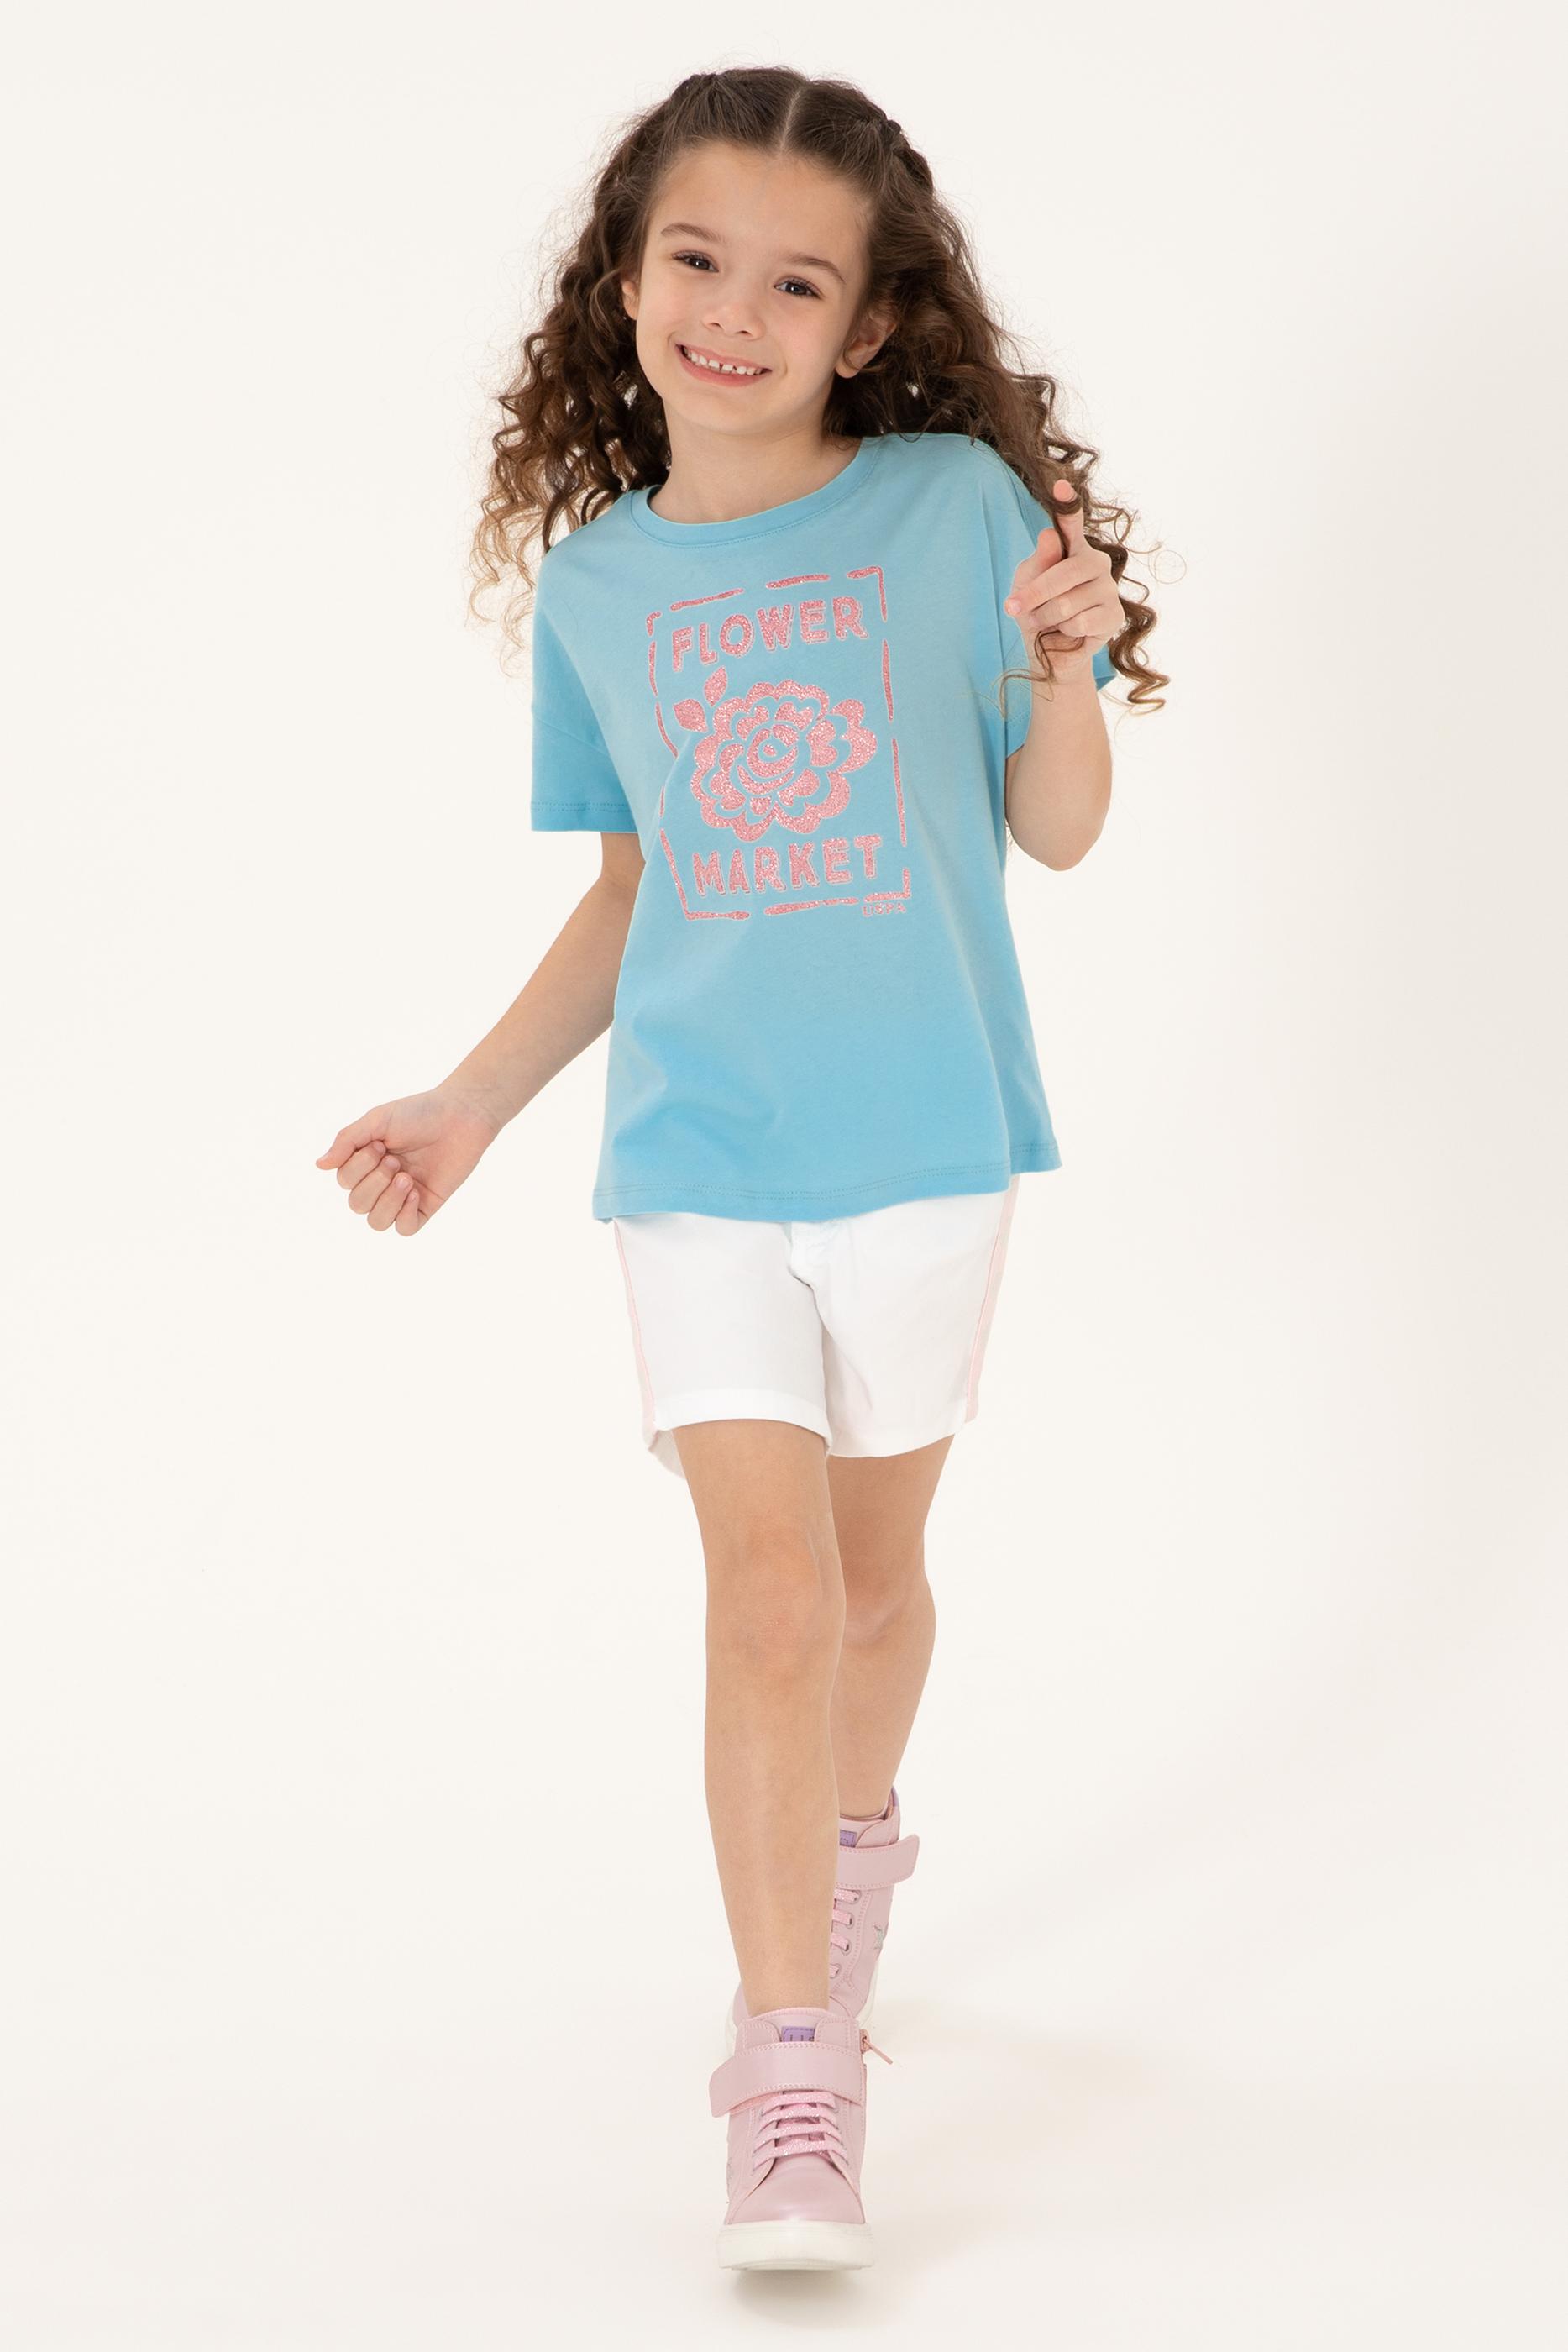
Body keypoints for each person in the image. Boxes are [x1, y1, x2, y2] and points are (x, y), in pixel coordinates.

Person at [314, 65, 1166, 2274]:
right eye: (695, 258)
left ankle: (849, 1853)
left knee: (874, 1593)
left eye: (796, 283)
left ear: (867, 324)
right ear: (623, 277)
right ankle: (793, 2069)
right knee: (768, 1596)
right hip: (696, 1153)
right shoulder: (600, 590)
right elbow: (634, 894)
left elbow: (1059, 829)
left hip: (926, 1144)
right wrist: (470, 1102)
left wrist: (1069, 668)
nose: (732, 311)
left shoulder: (951, 511)